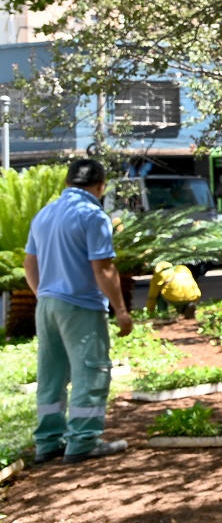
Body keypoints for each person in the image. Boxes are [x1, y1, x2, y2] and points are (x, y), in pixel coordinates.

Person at [24, 158, 133, 465]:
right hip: (81, 307)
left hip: (46, 305)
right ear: (100, 187)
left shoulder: (44, 215)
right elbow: (103, 269)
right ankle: (84, 440)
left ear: (67, 184)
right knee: (91, 371)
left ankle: (48, 442)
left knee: (51, 374)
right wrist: (121, 311)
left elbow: (29, 264)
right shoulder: (93, 215)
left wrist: (45, 295)